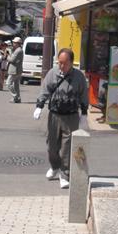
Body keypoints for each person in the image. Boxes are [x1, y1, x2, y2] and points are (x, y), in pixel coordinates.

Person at [33, 48, 89, 189]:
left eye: (64, 63)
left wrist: (84, 113)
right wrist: (39, 105)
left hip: (71, 116)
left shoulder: (78, 77)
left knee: (66, 147)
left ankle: (64, 175)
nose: (61, 66)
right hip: (55, 115)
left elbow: (83, 95)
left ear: (71, 63)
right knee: (52, 146)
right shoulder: (52, 73)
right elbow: (45, 90)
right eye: (59, 63)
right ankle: (54, 166)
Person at [6, 37, 24, 103]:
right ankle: (18, 98)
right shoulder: (17, 50)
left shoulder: (18, 50)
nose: (13, 43)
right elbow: (13, 57)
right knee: (16, 85)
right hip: (17, 70)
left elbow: (12, 60)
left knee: (8, 83)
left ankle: (15, 96)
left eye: (14, 42)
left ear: (17, 43)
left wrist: (7, 56)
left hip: (15, 70)